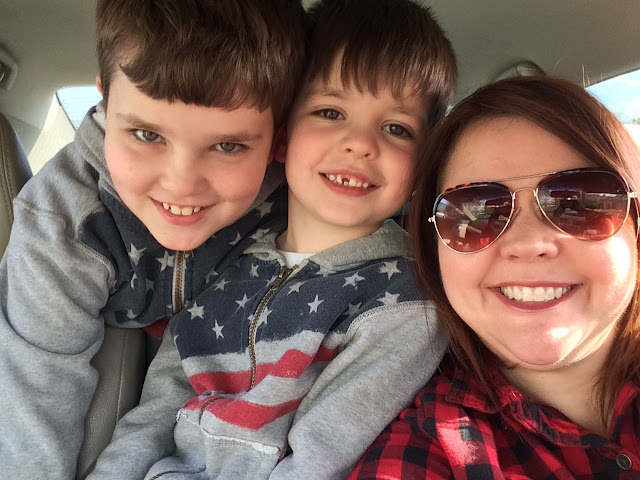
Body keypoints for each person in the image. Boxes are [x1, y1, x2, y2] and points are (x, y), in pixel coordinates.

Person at [87, 0, 458, 478]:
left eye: (396, 128)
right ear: (280, 136)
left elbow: (324, 457)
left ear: (424, 162)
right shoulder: (227, 260)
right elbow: (156, 411)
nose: (362, 144)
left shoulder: (404, 301)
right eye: (330, 111)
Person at [0, 1, 306, 478]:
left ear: (277, 140)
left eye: (228, 145)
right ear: (105, 104)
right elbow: (36, 386)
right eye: (146, 134)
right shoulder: (65, 217)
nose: (181, 184)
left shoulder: (292, 214)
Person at [349, 76, 640, 479]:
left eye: (579, 202)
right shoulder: (424, 453)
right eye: (475, 212)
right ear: (434, 250)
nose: (528, 243)